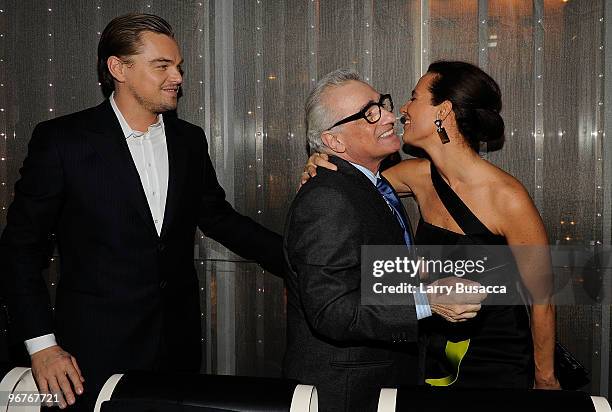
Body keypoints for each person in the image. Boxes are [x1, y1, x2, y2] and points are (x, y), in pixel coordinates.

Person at [0, 13, 283, 410]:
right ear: (119, 68)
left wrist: (299, 259)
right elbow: (19, 250)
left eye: (179, 67)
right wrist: (42, 345)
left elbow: (220, 218)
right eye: (162, 66)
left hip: (177, 350)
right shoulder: (63, 141)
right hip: (90, 356)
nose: (178, 77)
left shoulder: (189, 140)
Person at [303, 61, 559, 390]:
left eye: (414, 98)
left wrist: (545, 379)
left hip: (494, 357)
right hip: (431, 347)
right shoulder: (418, 177)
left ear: (444, 111)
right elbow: (352, 188)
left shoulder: (507, 197)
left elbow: (543, 299)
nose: (402, 110)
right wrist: (321, 161)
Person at [284, 68, 486, 412]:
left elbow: (369, 272)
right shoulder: (328, 198)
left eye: (383, 104)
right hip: (345, 391)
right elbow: (331, 310)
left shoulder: (372, 185)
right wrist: (427, 301)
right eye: (369, 113)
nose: (391, 116)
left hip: (382, 378)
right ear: (335, 141)